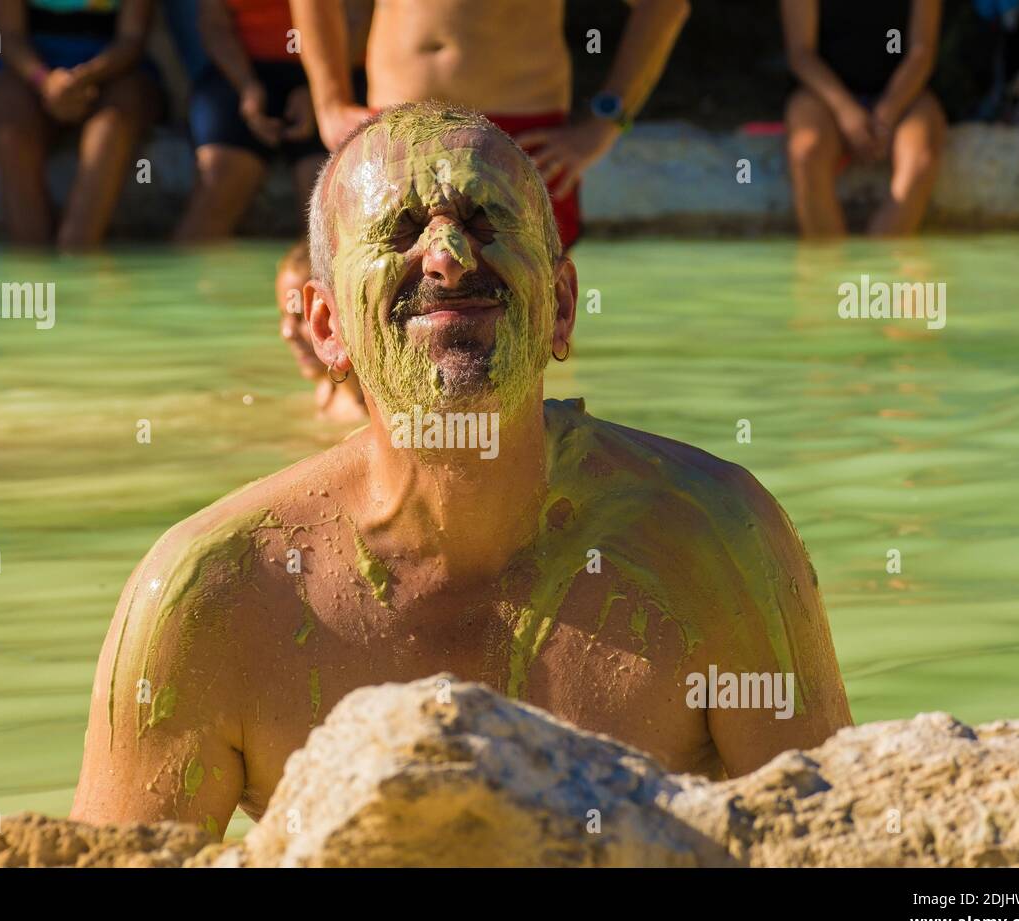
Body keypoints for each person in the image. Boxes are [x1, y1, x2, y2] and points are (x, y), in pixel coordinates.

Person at [71, 103, 853, 828]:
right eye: (401, 230)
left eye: (485, 221)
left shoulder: (717, 542)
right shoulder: (211, 597)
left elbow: (834, 847)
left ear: (563, 306)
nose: (446, 257)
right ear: (324, 328)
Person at [288, 0, 691, 252]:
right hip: (396, 129)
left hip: (519, 131)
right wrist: (329, 103)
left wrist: (605, 120)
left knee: (533, 332)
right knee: (382, 323)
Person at [174, 0, 370, 240]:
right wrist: (248, 87)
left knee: (325, 207)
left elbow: (360, 19)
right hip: (245, 69)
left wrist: (321, 94)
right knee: (217, 184)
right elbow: (214, 25)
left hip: (336, 70)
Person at [0, 0, 163, 249]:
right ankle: (30, 262)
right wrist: (45, 82)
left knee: (111, 127)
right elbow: (6, 36)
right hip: (27, 68)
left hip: (114, 68)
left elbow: (132, 39)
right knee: (10, 124)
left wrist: (84, 77)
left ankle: (78, 247)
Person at [782, 0, 948, 238]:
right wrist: (845, 110)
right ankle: (825, 267)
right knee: (806, 151)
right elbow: (800, 53)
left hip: (904, 93)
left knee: (920, 159)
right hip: (824, 94)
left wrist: (887, 112)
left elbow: (922, 52)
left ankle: (877, 264)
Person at [275, 240, 366, 419]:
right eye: (283, 316)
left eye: (302, 316)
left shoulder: (375, 419)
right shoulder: (325, 391)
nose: (287, 333)